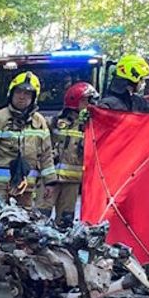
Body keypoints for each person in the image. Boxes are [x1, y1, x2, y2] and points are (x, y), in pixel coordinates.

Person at [0, 70, 57, 205]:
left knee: (23, 223)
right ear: (11, 93)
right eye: (18, 92)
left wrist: (50, 182)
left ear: (33, 97)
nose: (22, 97)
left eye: (27, 93)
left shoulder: (39, 122)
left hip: (26, 188)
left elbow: (46, 154)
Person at [51, 81, 98, 219]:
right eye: (88, 101)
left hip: (72, 181)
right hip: (50, 180)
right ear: (77, 100)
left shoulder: (90, 126)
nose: (91, 105)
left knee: (65, 220)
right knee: (40, 216)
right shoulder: (55, 122)